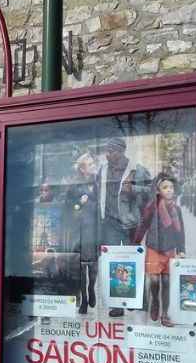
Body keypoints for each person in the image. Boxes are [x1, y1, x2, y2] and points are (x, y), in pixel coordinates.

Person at [97, 137, 152, 317]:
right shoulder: (103, 170)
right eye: (106, 150)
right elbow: (97, 191)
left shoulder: (137, 170)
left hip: (131, 223)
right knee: (114, 262)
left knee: (133, 261)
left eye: (110, 151)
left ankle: (140, 300)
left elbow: (151, 192)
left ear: (120, 151)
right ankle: (118, 304)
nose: (107, 154)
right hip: (110, 222)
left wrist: (134, 189)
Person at [134, 174, 185, 327]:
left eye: (171, 187)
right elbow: (143, 225)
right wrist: (135, 243)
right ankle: (155, 301)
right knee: (155, 281)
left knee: (167, 281)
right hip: (154, 248)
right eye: (165, 188)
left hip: (169, 249)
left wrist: (181, 249)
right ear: (159, 191)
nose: (169, 190)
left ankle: (165, 315)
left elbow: (180, 232)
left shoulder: (177, 209)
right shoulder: (152, 207)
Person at [65, 152, 99, 314]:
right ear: (82, 169)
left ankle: (91, 288)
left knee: (93, 267)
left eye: (93, 163)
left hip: (95, 229)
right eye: (90, 164)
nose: (93, 166)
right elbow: (68, 209)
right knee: (81, 269)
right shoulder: (74, 186)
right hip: (81, 231)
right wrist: (79, 203)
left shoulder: (99, 182)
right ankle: (84, 299)